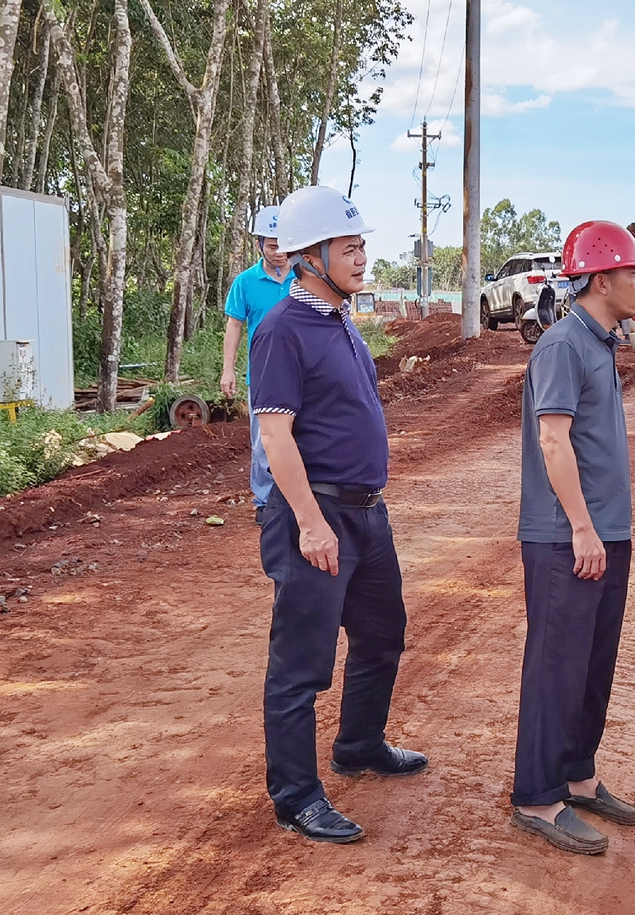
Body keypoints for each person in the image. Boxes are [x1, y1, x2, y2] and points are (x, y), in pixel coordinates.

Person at [250, 185, 426, 844]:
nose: (361, 257)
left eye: (360, 246)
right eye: (348, 247)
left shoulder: (341, 320)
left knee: (382, 635)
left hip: (366, 514)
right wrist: (309, 522)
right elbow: (275, 437)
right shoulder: (280, 330)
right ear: (309, 256)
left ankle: (359, 745)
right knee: (301, 664)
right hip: (315, 514)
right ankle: (296, 798)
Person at [510, 221, 635, 856]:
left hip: (604, 533)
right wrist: (582, 528)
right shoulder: (563, 346)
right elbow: (553, 440)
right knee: (556, 665)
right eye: (632, 272)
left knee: (593, 663)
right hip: (566, 537)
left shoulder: (601, 342)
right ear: (600, 280)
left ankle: (577, 775)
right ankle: (538, 797)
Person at [222, 206, 296, 512]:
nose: (279, 252)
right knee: (264, 440)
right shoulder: (245, 282)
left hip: (303, 372)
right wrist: (228, 370)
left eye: (284, 245)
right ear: (258, 245)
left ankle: (301, 500)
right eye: (272, 245)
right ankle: (266, 502)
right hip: (263, 373)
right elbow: (234, 326)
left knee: (305, 436)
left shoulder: (305, 277)